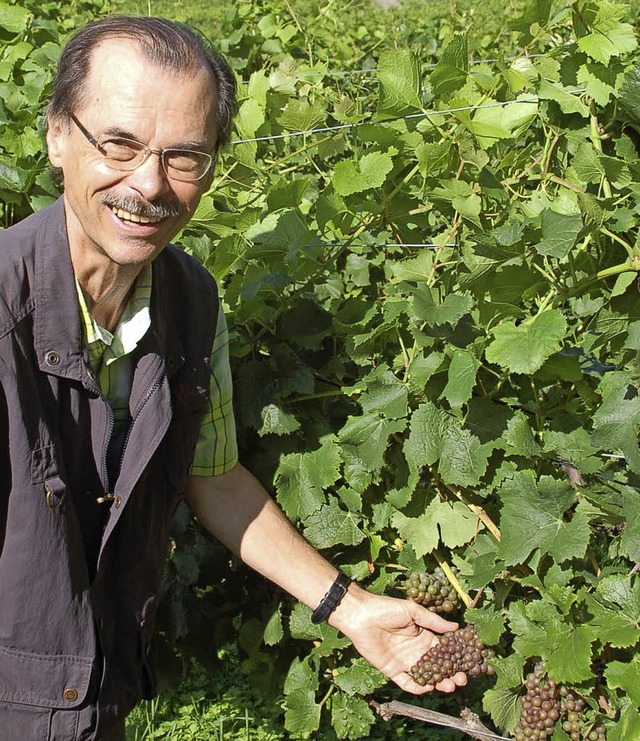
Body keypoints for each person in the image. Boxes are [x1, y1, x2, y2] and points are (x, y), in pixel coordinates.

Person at [0, 16, 466, 740]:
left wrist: (352, 606)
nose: (149, 184)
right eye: (119, 143)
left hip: (95, 693)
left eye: (184, 157)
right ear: (58, 133)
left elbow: (212, 477)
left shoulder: (191, 304)